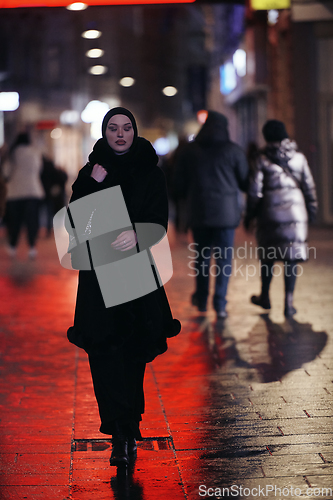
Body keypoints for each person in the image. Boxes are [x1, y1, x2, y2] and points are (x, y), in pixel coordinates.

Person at [66, 107, 180, 468]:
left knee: (132, 353)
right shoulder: (92, 171)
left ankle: (129, 428)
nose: (120, 134)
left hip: (135, 274)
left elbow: (158, 222)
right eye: (113, 128)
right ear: (105, 132)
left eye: (126, 128)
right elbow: (75, 222)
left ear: (134, 131)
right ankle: (117, 431)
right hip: (99, 276)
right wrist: (91, 184)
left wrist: (137, 231)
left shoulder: (150, 172)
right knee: (104, 354)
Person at [173, 111, 249, 319]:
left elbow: (178, 183)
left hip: (200, 212)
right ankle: (220, 302)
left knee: (202, 257)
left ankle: (202, 299)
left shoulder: (190, 151)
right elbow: (245, 182)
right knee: (224, 260)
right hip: (226, 215)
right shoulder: (234, 151)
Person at [244, 120, 317, 317]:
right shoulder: (299, 158)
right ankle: (289, 303)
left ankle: (265, 296)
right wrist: (312, 212)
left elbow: (254, 192)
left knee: (268, 257)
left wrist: (249, 215)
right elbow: (309, 188)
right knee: (290, 259)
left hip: (270, 214)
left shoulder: (261, 158)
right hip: (296, 213)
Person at [3, 132, 44, 259]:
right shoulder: (35, 152)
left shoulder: (12, 154)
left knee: (15, 221)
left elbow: (6, 172)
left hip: (15, 192)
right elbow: (38, 169)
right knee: (32, 221)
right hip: (33, 191)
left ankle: (12, 246)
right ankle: (32, 247)